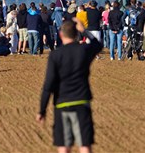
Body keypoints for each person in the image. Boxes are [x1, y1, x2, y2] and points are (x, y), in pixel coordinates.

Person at [36, 19, 102, 153]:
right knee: (84, 144)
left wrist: (42, 110)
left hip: (61, 103)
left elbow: (48, 84)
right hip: (81, 101)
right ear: (77, 34)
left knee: (64, 146)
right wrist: (84, 30)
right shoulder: (83, 50)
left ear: (61, 35)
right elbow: (97, 45)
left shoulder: (55, 55)